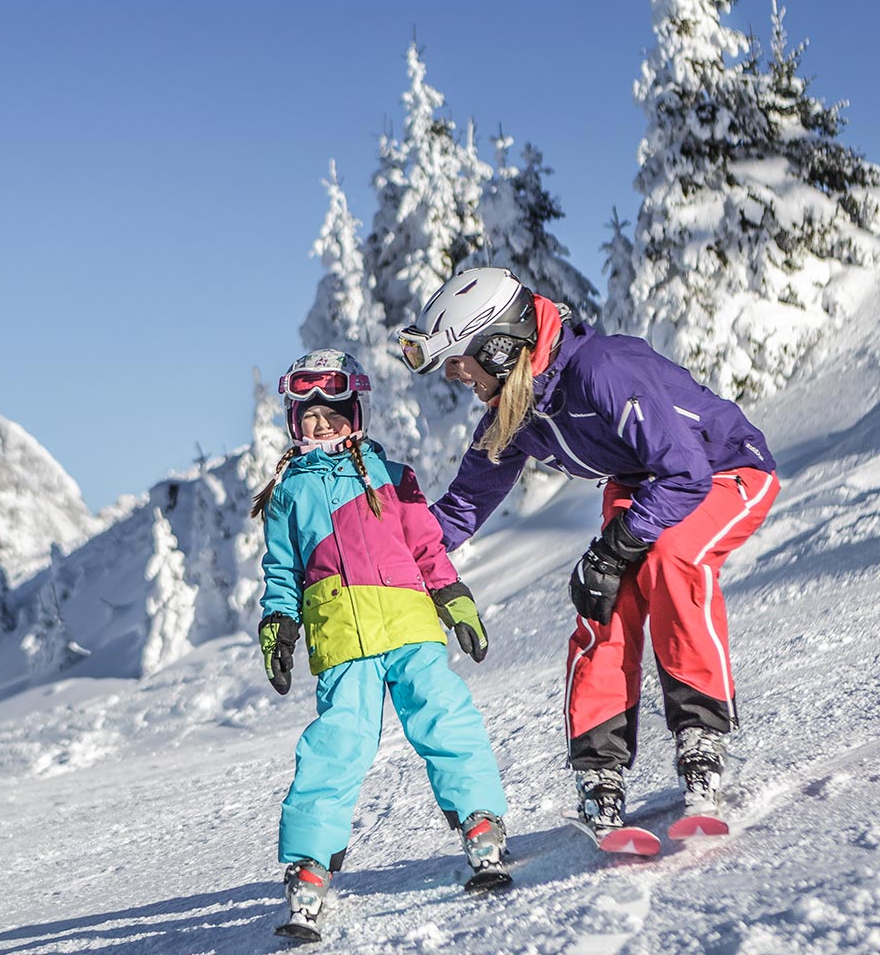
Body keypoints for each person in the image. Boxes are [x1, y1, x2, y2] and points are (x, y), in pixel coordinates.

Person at [393, 268, 779, 836]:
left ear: (497, 347)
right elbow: (461, 509)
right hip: (643, 483)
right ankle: (601, 774)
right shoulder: (515, 410)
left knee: (671, 557)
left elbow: (685, 472)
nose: (457, 376)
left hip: (723, 469)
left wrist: (618, 543)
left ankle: (700, 738)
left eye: (459, 361)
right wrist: (390, 565)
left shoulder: (602, 370)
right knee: (605, 598)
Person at [253, 348, 511, 932]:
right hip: (341, 637)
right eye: (309, 415)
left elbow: (427, 548)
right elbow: (280, 573)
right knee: (335, 746)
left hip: (410, 627)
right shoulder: (287, 495)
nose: (322, 424)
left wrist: (454, 597)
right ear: (294, 423)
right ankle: (309, 868)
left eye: (333, 411)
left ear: (355, 411)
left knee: (443, 716)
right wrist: (277, 624)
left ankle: (481, 823)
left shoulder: (393, 478)